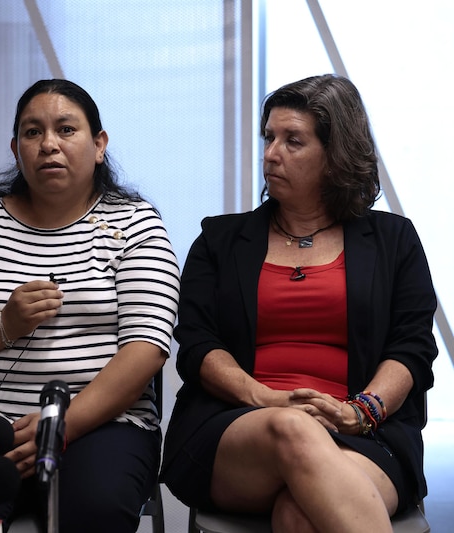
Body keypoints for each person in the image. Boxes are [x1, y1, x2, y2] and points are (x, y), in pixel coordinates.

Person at [160, 74, 437, 533]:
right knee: (293, 429)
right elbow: (196, 344)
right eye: (269, 137)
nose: (271, 153)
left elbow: (411, 349)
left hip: (365, 433)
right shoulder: (220, 240)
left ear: (336, 156)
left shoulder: (394, 241)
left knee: (300, 515)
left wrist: (358, 411)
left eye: (294, 141)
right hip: (237, 428)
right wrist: (265, 399)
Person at [0, 79, 180, 532]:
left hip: (100, 424)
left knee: (94, 510)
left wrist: (62, 426)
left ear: (98, 145)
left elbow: (147, 348)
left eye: (66, 130)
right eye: (33, 133)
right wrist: (3, 323)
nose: (48, 144)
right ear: (16, 149)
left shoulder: (135, 224)